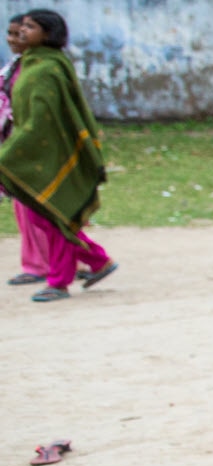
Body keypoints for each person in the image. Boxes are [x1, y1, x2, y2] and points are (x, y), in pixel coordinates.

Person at [0, 9, 117, 303]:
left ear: (48, 34)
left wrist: (10, 152)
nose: (22, 31)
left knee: (52, 218)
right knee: (45, 218)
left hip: (50, 153)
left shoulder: (47, 69)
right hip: (35, 150)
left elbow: (42, 120)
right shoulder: (29, 64)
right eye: (21, 27)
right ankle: (97, 260)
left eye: (30, 27)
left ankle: (59, 281)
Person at [1, 14, 49, 286]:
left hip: (37, 145)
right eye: (10, 33)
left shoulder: (43, 68)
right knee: (24, 207)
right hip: (17, 143)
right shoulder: (14, 68)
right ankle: (37, 262)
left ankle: (78, 258)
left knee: (44, 206)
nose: (13, 39)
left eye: (21, 33)